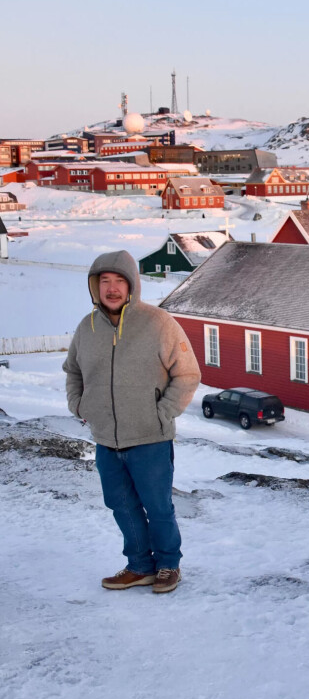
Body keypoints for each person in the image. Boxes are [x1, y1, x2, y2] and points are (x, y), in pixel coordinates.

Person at [63, 250, 201, 594]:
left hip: (150, 438)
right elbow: (73, 372)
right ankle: (140, 566)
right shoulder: (87, 327)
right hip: (107, 440)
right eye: (104, 281)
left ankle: (168, 565)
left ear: (131, 285)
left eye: (119, 281)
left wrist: (162, 412)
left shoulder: (158, 323)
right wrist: (79, 404)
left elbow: (187, 374)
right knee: (121, 505)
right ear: (95, 286)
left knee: (158, 506)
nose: (111, 288)